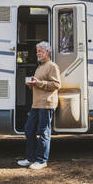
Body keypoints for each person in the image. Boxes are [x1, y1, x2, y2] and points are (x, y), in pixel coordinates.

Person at [17, 41, 61, 170]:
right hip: (36, 104)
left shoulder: (52, 66)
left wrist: (38, 83)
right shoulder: (39, 67)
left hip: (46, 104)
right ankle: (31, 158)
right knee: (29, 130)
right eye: (37, 51)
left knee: (43, 132)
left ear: (47, 52)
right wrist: (32, 84)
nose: (38, 53)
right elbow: (39, 84)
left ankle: (42, 161)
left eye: (40, 51)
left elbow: (57, 85)